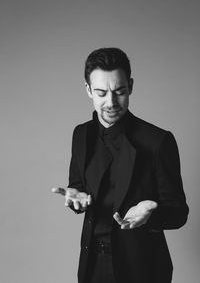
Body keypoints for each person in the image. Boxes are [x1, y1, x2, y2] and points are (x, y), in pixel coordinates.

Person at [52, 48, 189, 283]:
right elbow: (77, 189)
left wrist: (151, 215)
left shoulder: (158, 141)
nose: (111, 102)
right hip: (91, 266)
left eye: (119, 92)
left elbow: (178, 213)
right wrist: (76, 200)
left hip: (143, 269)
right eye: (101, 93)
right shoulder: (81, 135)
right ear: (88, 90)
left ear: (131, 86)